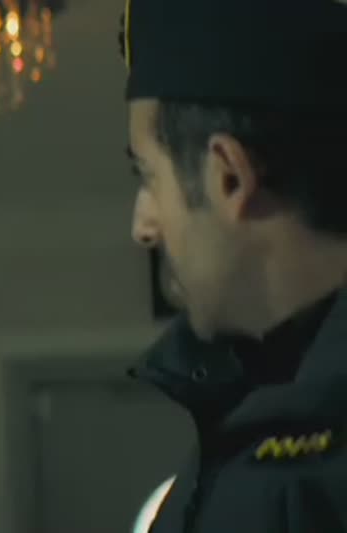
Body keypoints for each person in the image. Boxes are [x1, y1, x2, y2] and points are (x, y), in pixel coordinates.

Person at [119, 0, 347, 531]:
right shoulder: (250, 430)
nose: (142, 227)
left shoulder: (308, 473)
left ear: (230, 177)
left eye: (149, 177)